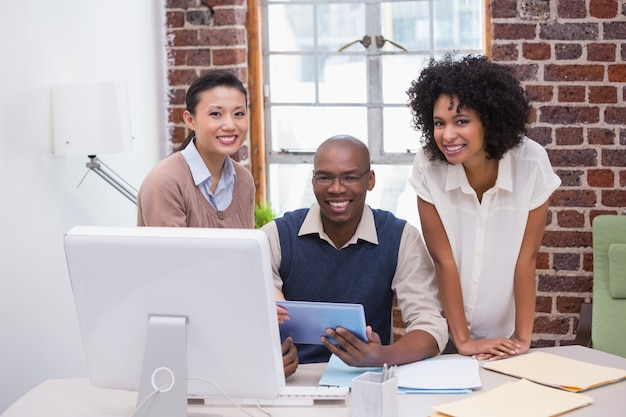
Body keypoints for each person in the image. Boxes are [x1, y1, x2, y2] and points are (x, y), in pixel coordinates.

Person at [406, 54, 561, 361]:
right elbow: (443, 259)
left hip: (503, 336)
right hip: (444, 331)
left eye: (461, 121)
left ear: (489, 120)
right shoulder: (427, 165)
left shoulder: (531, 163)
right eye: (439, 123)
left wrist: (522, 338)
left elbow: (526, 257)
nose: (447, 135)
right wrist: (462, 340)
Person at [263, 135, 448, 369]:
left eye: (350, 177)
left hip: (368, 378)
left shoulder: (401, 236)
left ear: (370, 180)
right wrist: (269, 360)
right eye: (325, 177)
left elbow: (430, 326)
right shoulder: (276, 236)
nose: (336, 188)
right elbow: (249, 318)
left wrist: (383, 355)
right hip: (293, 379)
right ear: (313, 181)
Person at [137, 69, 255, 228]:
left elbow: (247, 250)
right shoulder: (165, 181)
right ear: (190, 120)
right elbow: (170, 252)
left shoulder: (243, 180)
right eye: (216, 114)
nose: (229, 125)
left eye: (239, 114)